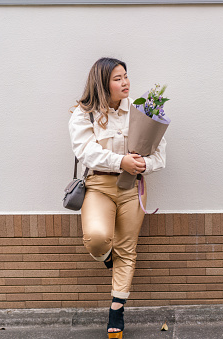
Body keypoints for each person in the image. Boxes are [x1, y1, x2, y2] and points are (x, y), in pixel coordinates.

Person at [68, 57, 166, 339]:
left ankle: (116, 310)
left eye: (126, 76)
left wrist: (143, 165)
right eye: (118, 78)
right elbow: (85, 152)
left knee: (127, 248)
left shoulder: (141, 112)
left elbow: (159, 155)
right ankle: (106, 256)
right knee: (97, 240)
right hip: (98, 185)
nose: (125, 82)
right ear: (102, 83)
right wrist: (120, 160)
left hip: (131, 187)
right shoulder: (82, 114)